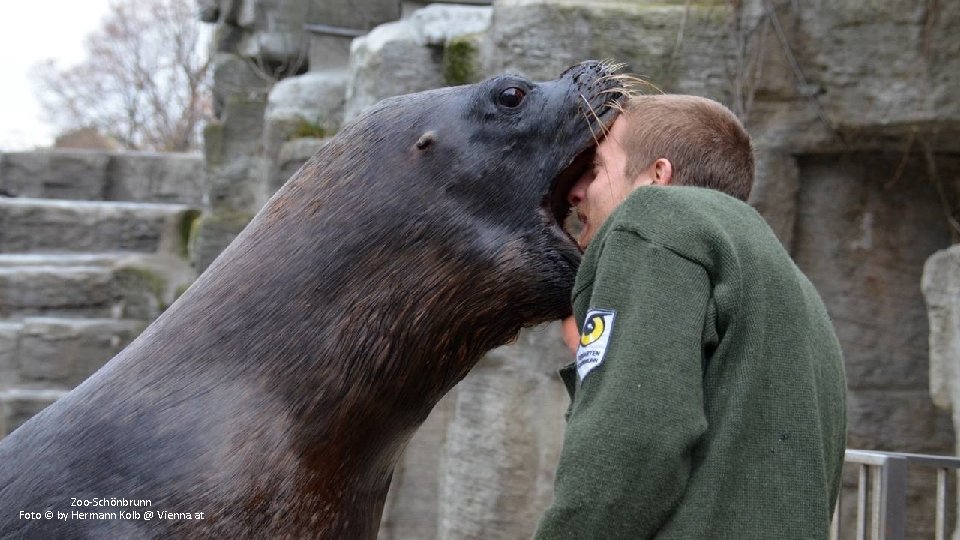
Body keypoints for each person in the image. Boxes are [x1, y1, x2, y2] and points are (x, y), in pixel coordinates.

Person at [533, 95, 847, 539]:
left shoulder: (652, 218)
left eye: (596, 169)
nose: (575, 192)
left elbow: (630, 443)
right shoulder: (788, 281)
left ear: (657, 176)